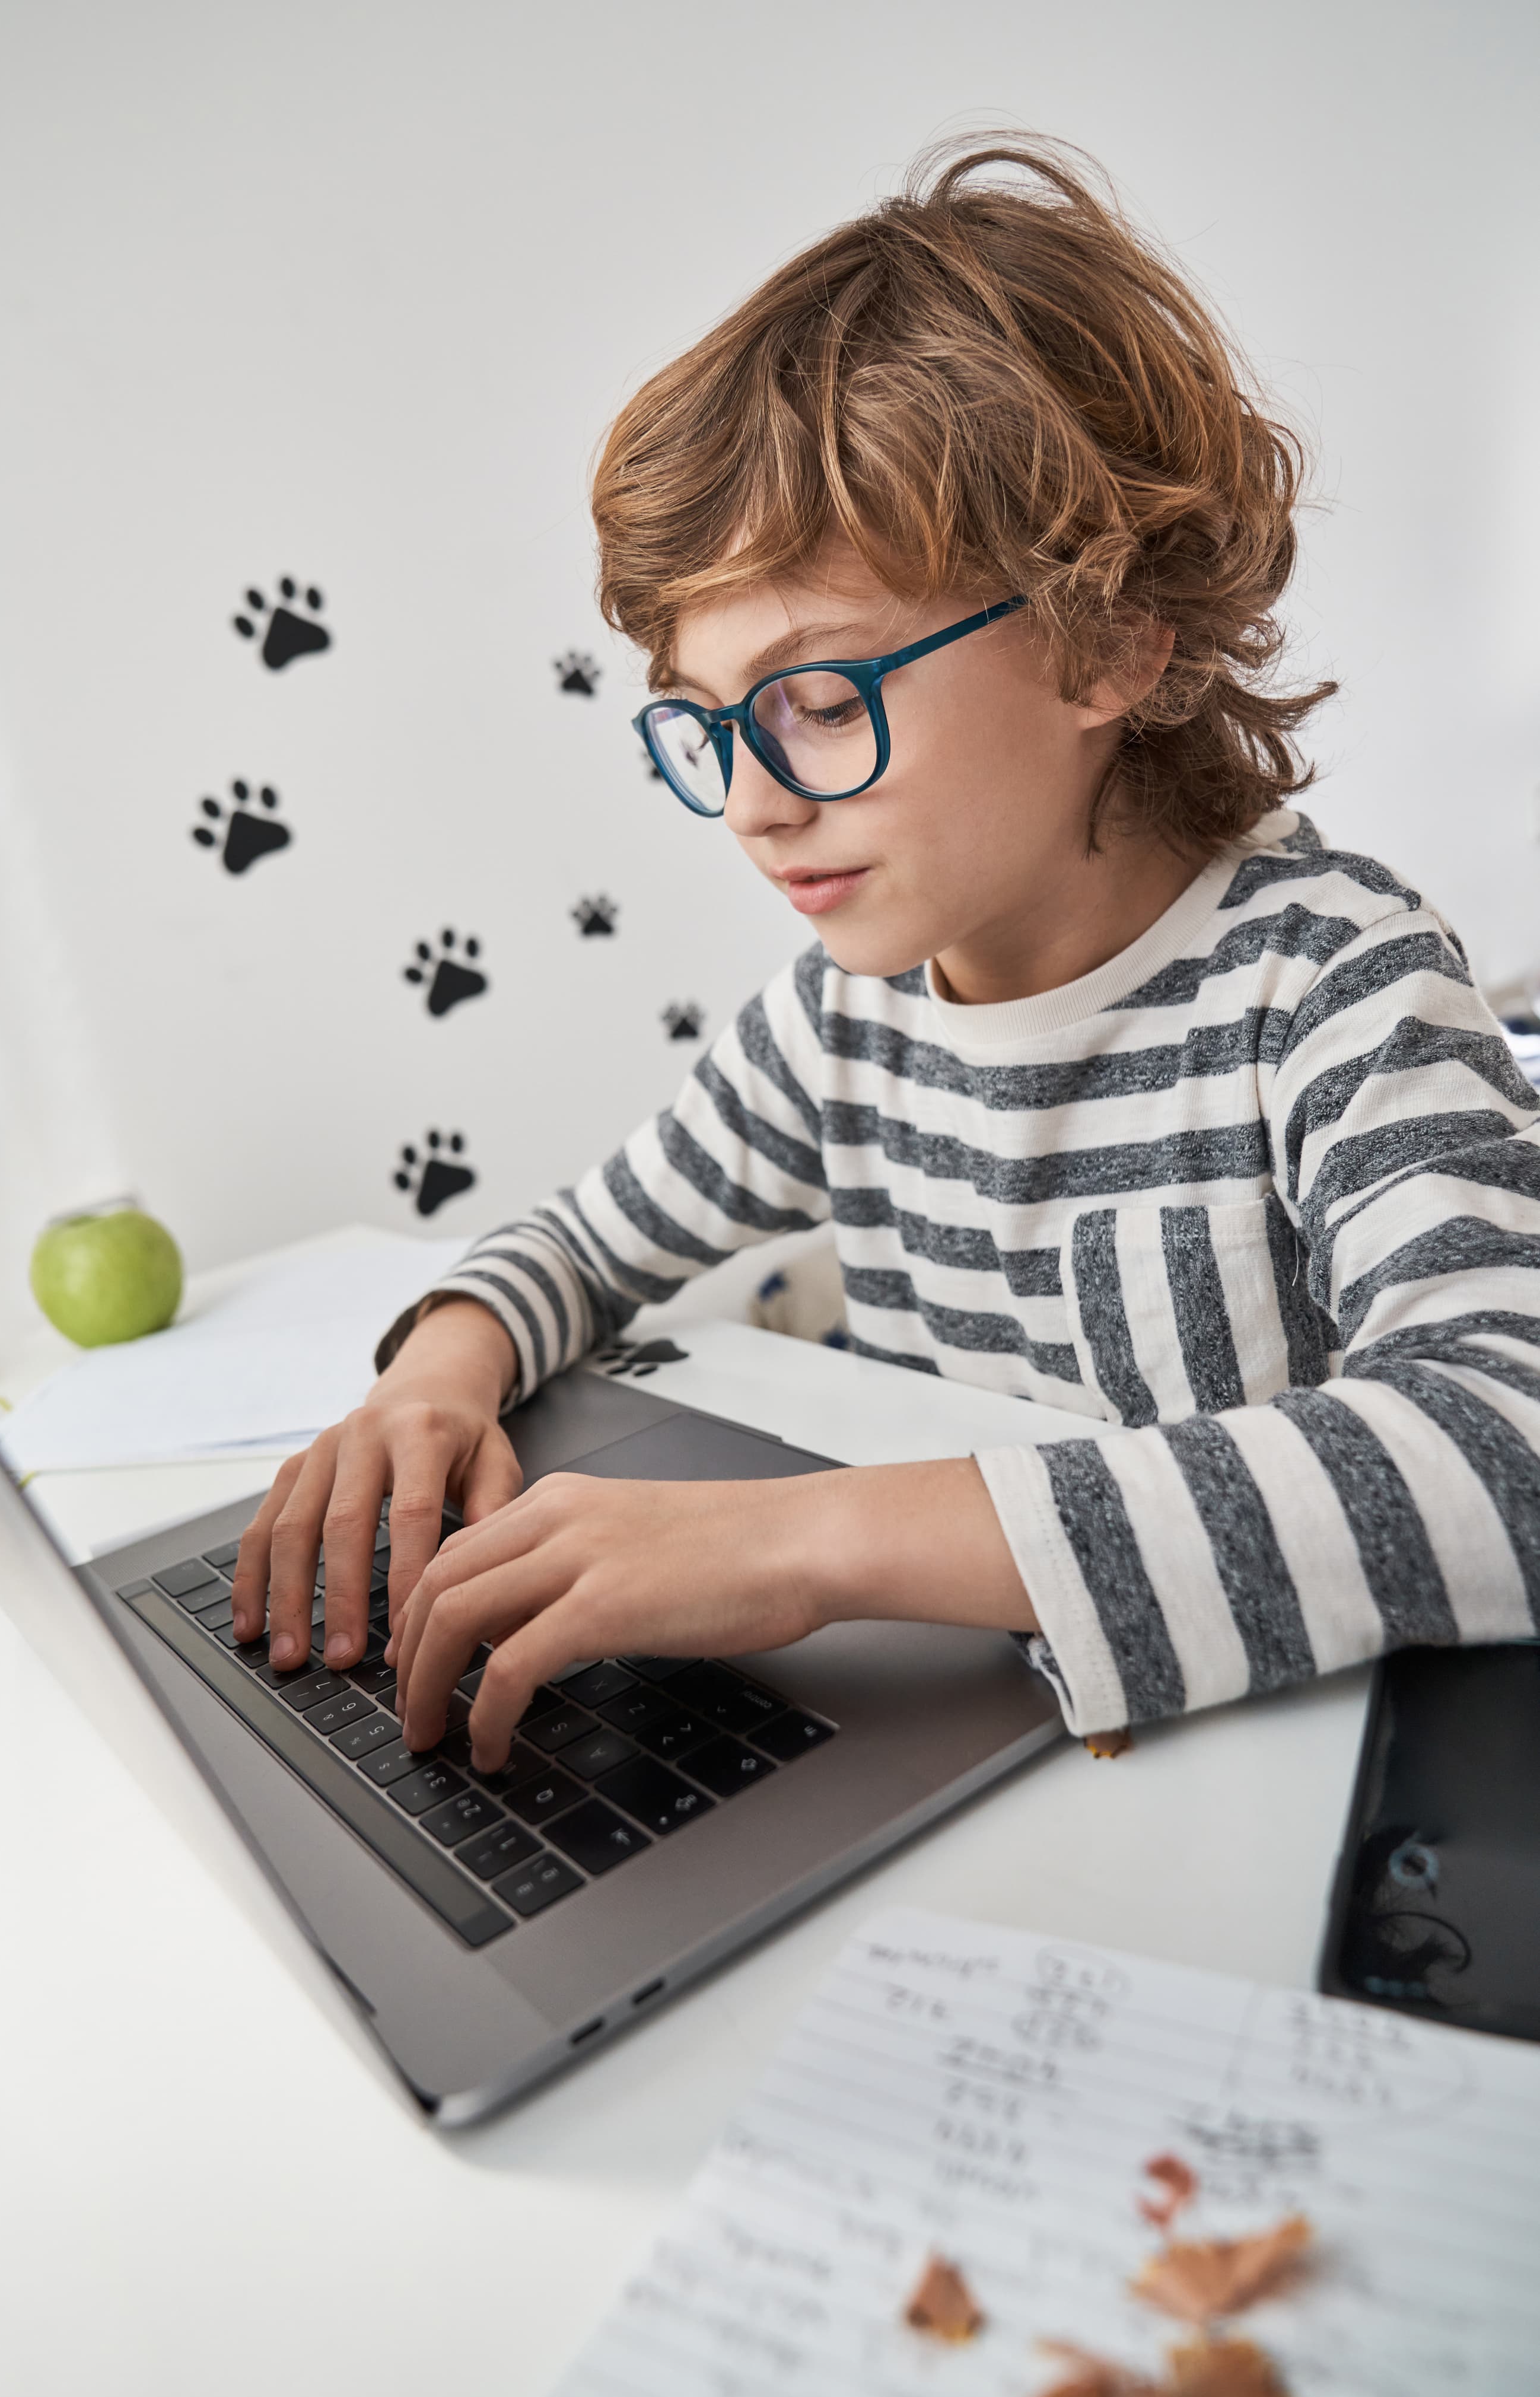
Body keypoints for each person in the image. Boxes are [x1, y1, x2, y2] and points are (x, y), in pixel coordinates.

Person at [231, 135, 1540, 1778]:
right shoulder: (841, 1022)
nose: (756, 807)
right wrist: (437, 1374)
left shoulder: (1331, 983)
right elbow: (585, 1238)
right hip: (967, 1758)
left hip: (1278, 1776)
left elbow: (1509, 1443)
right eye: (705, 728)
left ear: (1111, 640)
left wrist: (808, 1543)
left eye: (825, 699)